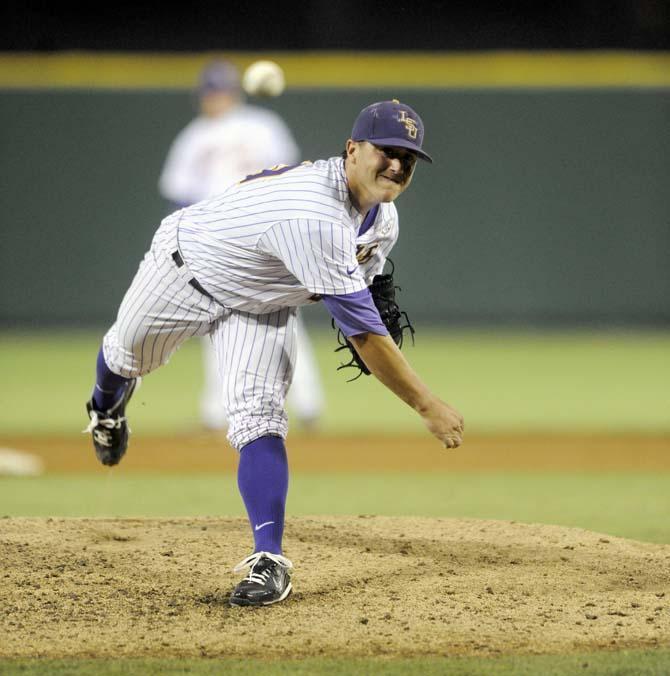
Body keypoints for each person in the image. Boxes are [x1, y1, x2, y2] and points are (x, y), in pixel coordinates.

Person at [84, 99, 465, 607]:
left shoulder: (383, 221)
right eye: (387, 151)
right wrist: (426, 404)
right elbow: (366, 336)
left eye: (409, 158)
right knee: (126, 355)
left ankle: (269, 559)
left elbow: (366, 299)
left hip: (262, 303)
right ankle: (105, 407)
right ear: (352, 150)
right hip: (185, 270)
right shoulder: (315, 215)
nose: (397, 166)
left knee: (259, 420)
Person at [158, 59, 324, 430]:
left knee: (283, 315)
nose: (214, 98)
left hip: (264, 235)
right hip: (217, 240)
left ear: (233, 92)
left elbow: (291, 179)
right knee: (216, 321)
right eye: (210, 91)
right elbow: (180, 198)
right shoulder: (196, 135)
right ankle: (217, 411)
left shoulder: (260, 126)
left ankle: (308, 403)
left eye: (220, 90)